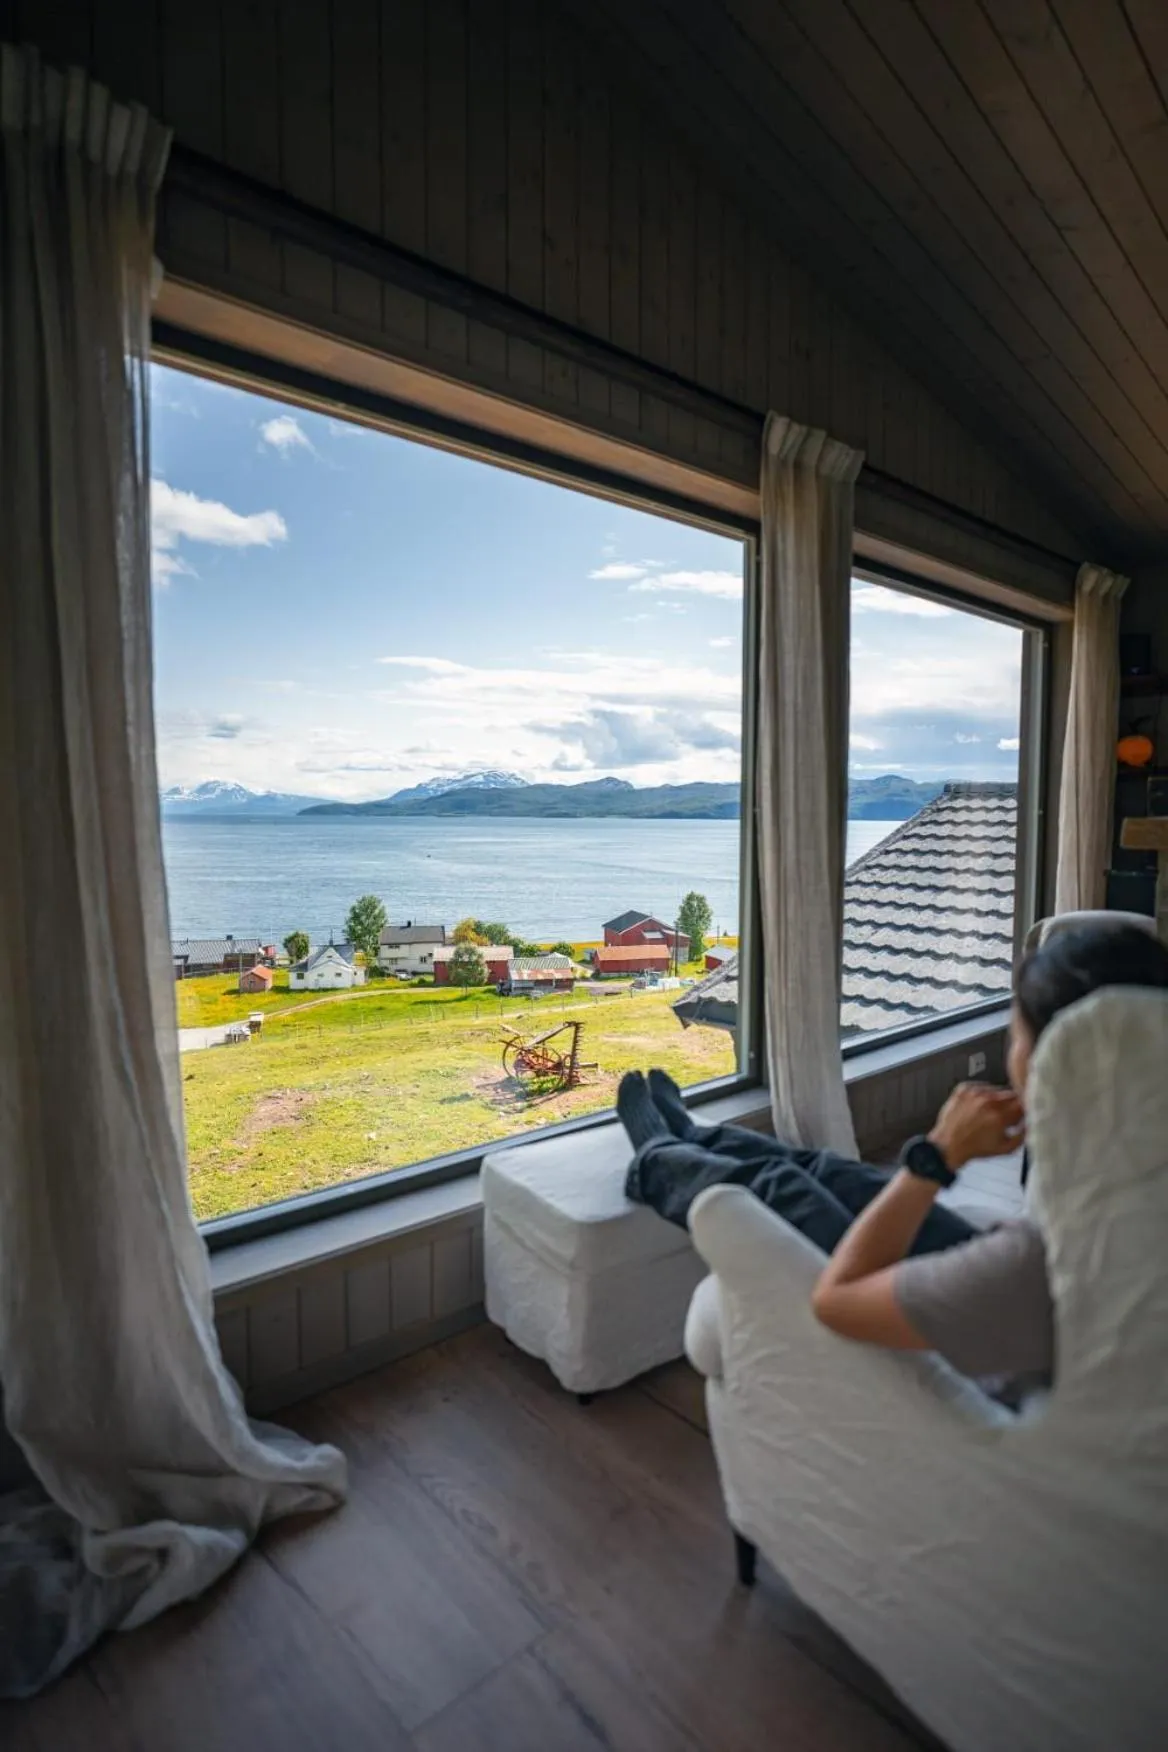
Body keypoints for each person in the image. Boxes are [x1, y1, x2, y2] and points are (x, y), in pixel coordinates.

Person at [621, 920, 1168, 1400]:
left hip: (983, 1335)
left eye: (1014, 1029)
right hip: (1020, 1308)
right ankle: (695, 1136)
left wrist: (937, 1157)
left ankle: (653, 1157)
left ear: (1056, 1055)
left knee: (780, 1185)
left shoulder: (1031, 1271)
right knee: (839, 1174)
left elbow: (836, 1302)